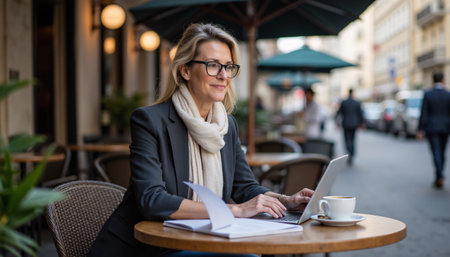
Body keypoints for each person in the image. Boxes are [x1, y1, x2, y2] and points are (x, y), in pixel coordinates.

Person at [87, 23, 313, 257]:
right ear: (185, 70)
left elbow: (245, 187)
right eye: (213, 65)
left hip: (203, 240)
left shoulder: (227, 125)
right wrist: (233, 210)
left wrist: (286, 201)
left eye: (228, 66)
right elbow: (152, 200)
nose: (224, 76)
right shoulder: (150, 121)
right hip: (150, 248)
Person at [417, 72, 450, 188]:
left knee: (436, 152)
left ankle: (439, 175)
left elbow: (424, 113)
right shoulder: (448, 94)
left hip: (432, 127)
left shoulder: (428, 94)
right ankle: (439, 176)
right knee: (442, 152)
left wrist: (420, 129)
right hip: (446, 127)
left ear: (432, 80)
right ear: (443, 80)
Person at [335, 89, 364, 165]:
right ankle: (352, 153)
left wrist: (337, 122)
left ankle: (349, 152)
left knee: (347, 139)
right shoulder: (357, 102)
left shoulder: (344, 102)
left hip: (346, 123)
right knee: (353, 139)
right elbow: (360, 113)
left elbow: (339, 113)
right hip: (354, 124)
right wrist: (362, 123)